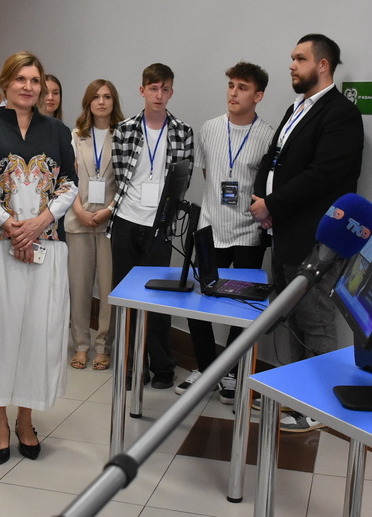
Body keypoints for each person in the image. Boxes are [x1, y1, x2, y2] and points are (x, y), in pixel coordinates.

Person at [0, 51, 78, 464]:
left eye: (35, 80)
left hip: (46, 246)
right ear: (5, 83)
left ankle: (25, 418)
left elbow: (70, 184)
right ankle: (0, 422)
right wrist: (11, 225)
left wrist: (40, 222)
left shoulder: (57, 130)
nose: (28, 86)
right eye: (21, 79)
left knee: (37, 334)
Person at [250, 33, 363, 432]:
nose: (291, 65)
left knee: (315, 320)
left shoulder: (341, 114)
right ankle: (297, 396)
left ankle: (318, 408)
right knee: (292, 320)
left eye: (300, 59)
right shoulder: (296, 107)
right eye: (292, 58)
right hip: (284, 233)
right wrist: (261, 199)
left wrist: (273, 204)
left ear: (322, 65)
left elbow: (323, 176)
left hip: (315, 239)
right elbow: (273, 158)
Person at [176, 62, 275, 403]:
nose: (233, 93)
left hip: (248, 233)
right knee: (199, 300)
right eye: (231, 85)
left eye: (242, 87)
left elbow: (264, 186)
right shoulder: (209, 128)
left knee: (243, 307)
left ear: (258, 96)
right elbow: (209, 174)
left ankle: (231, 373)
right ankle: (206, 368)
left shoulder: (268, 136)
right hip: (210, 228)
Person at [108, 63, 194, 390]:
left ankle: (163, 366)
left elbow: (183, 181)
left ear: (171, 92)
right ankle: (132, 366)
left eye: (165, 89)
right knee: (126, 298)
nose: (159, 95)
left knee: (158, 300)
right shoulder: (125, 129)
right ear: (142, 90)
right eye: (153, 88)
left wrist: (164, 215)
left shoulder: (183, 131)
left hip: (160, 226)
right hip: (127, 221)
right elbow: (121, 177)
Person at [67, 80, 124, 371]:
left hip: (109, 222)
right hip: (78, 221)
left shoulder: (123, 136)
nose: (101, 102)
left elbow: (127, 180)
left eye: (107, 97)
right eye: (96, 97)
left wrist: (108, 210)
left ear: (114, 102)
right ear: (88, 102)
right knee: (79, 289)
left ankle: (103, 347)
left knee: (108, 289)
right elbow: (67, 179)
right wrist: (79, 210)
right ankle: (81, 345)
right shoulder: (76, 136)